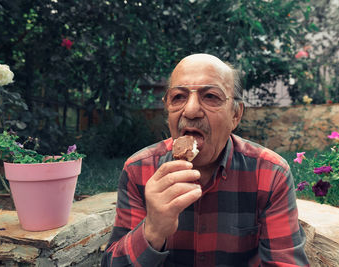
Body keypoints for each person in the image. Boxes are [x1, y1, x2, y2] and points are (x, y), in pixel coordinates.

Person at [101, 54, 309, 266]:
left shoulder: (270, 173)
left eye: (210, 96)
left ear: (235, 115)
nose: (190, 111)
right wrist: (153, 230)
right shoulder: (139, 170)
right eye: (178, 97)